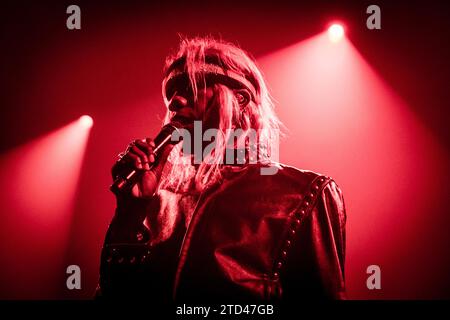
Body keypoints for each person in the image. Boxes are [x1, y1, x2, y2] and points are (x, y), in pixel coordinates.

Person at [96, 37, 347, 302]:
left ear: (239, 98)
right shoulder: (154, 200)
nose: (175, 102)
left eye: (191, 87)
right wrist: (128, 214)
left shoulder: (303, 194)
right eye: (171, 94)